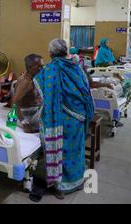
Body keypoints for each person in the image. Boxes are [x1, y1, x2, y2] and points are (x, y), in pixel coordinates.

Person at [33, 39, 94, 199]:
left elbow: (41, 93)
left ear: (51, 53)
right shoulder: (77, 66)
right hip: (79, 117)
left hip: (59, 119)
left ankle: (59, 187)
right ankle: (78, 181)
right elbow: (85, 89)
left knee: (59, 150)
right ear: (66, 50)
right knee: (76, 150)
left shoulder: (50, 70)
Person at [8, 54, 44, 133]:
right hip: (27, 116)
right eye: (39, 66)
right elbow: (14, 103)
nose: (42, 69)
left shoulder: (32, 78)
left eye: (42, 66)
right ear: (30, 67)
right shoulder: (26, 82)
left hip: (33, 111)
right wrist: (25, 123)